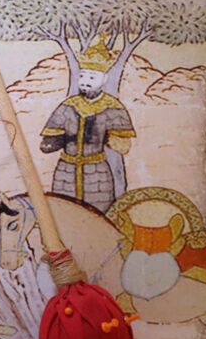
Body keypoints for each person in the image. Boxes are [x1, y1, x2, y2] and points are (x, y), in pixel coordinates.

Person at [40, 40, 135, 213]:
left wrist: (107, 138)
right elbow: (47, 144)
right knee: (64, 212)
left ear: (104, 79)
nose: (85, 82)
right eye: (82, 77)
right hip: (66, 171)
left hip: (97, 172)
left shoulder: (113, 107)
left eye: (92, 77)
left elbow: (124, 146)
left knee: (98, 213)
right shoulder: (68, 106)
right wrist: (58, 141)